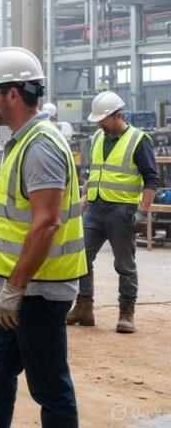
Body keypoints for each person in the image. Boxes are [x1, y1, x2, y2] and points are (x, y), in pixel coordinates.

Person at [0, 47, 86, 428]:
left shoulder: (40, 146)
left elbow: (47, 223)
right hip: (15, 287)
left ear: (13, 94)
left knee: (49, 387)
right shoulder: (22, 141)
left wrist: (15, 288)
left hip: (37, 292)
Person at [66, 91, 158, 334]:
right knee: (81, 257)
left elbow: (151, 178)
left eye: (103, 120)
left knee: (124, 264)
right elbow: (97, 171)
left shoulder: (139, 140)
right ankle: (84, 307)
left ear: (119, 115)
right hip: (95, 209)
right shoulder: (98, 137)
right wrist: (86, 194)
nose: (99, 124)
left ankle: (126, 313)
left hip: (122, 211)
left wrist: (143, 211)